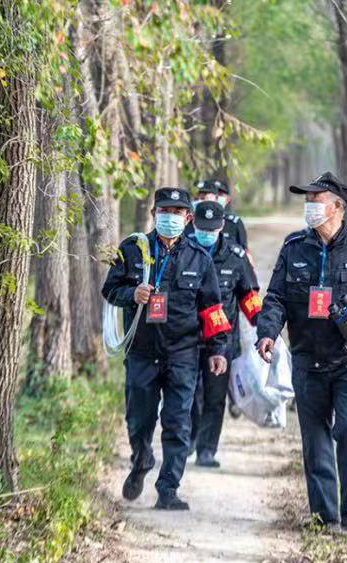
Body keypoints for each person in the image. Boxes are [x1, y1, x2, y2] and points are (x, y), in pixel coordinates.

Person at [256, 172, 347, 533]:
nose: (309, 208)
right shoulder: (293, 248)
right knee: (315, 439)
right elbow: (275, 297)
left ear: (337, 207)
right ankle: (325, 517)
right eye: (306, 201)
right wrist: (268, 332)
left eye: (315, 201)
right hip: (307, 359)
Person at [102, 187, 231, 511]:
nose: (169, 217)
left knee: (178, 422)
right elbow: (110, 288)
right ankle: (141, 458)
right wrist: (132, 294)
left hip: (183, 354)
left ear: (188, 218)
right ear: (153, 213)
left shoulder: (199, 258)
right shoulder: (133, 249)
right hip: (142, 352)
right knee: (139, 419)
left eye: (176, 212)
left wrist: (217, 349)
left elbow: (212, 309)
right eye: (164, 211)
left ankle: (168, 489)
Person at [188, 200, 262, 467]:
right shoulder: (182, 251)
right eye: (201, 228)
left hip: (221, 341)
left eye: (211, 229)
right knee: (188, 392)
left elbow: (248, 295)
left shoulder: (235, 256)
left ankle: (207, 449)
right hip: (186, 338)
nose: (205, 233)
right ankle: (190, 438)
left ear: (221, 227)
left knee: (215, 396)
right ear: (192, 224)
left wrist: (262, 323)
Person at [212, 178, 249, 250]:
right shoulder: (196, 221)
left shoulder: (234, 222)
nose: (216, 197)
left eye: (220, 194)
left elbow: (244, 250)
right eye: (214, 194)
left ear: (228, 199)